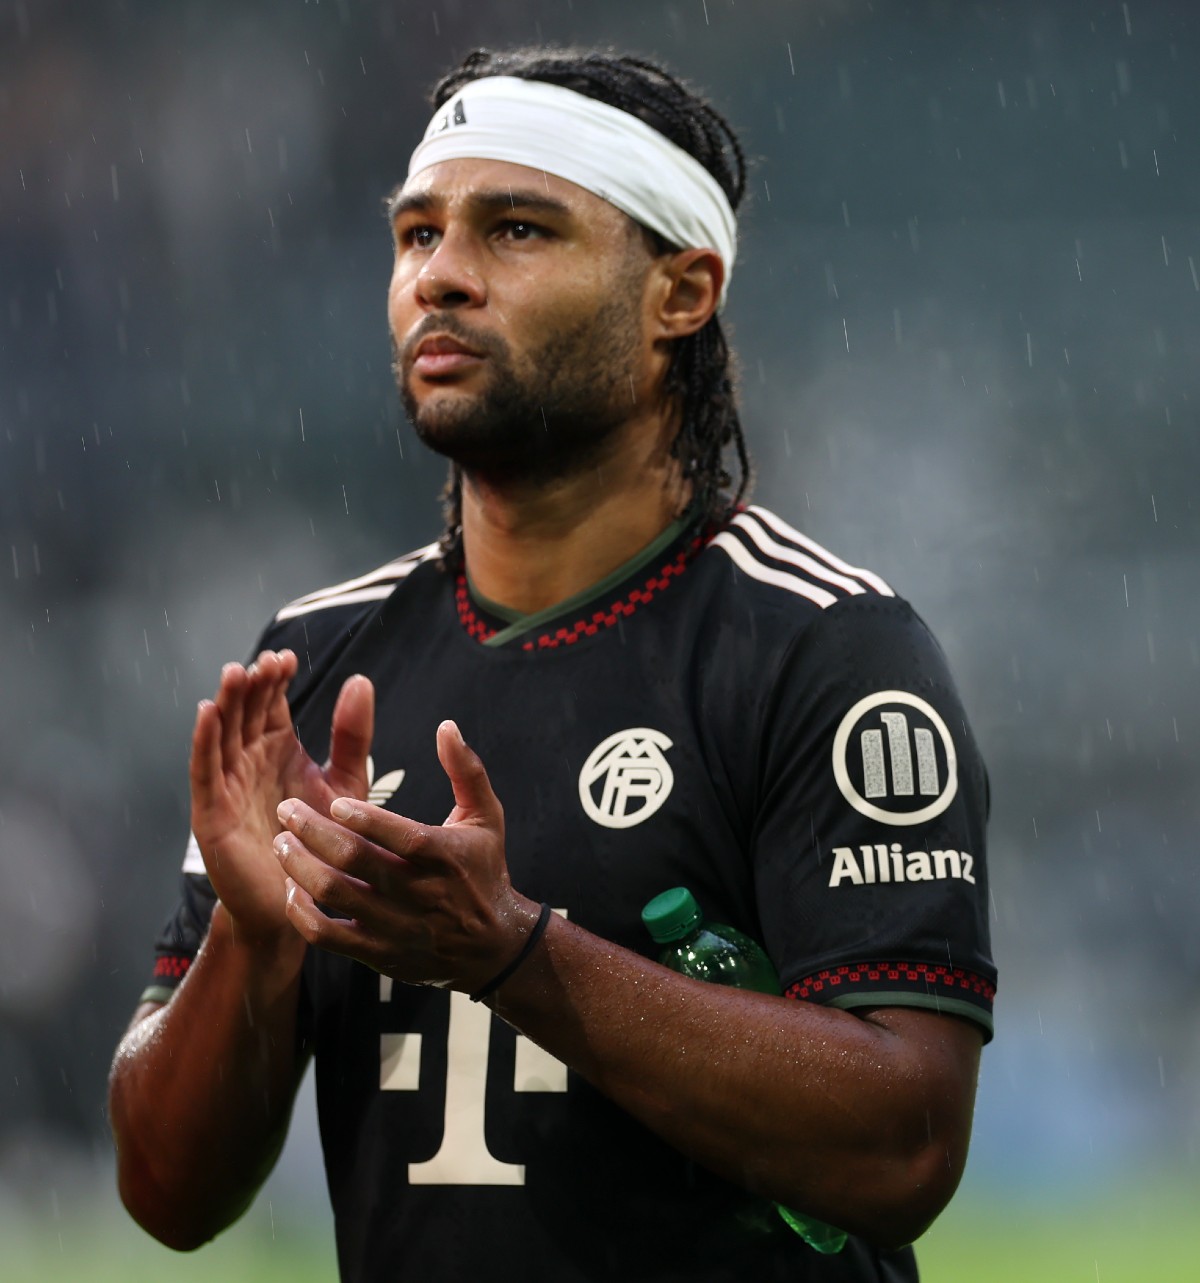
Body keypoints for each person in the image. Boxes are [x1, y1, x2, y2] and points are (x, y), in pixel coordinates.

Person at [108, 46, 996, 1283]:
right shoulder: (310, 662)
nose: (443, 278)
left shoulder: (826, 649)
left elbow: (905, 1145)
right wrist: (250, 948)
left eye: (517, 230)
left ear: (680, 293)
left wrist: (513, 952)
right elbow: (164, 1191)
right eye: (417, 235)